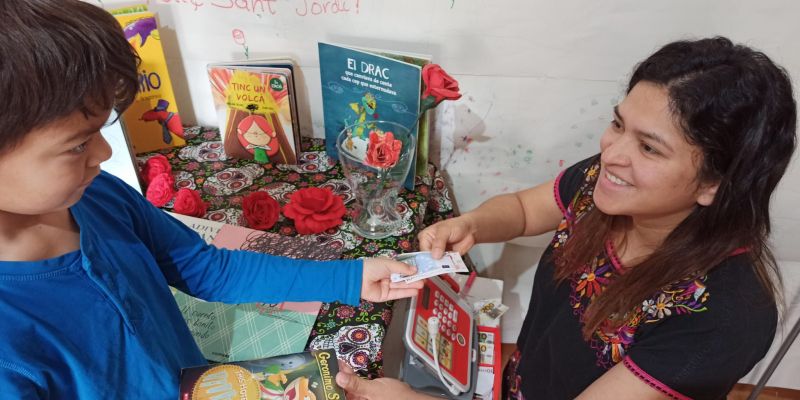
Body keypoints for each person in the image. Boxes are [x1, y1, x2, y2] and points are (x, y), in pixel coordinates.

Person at [335, 37, 797, 399]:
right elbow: (521, 211)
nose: (612, 154)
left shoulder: (723, 316)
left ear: (715, 182)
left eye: (649, 147)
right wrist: (472, 225)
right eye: (618, 124)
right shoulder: (604, 183)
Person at [0, 1, 422, 398]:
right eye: (77, 145)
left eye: (100, 131)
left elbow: (206, 269)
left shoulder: (98, 196)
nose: (104, 154)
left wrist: (348, 278)